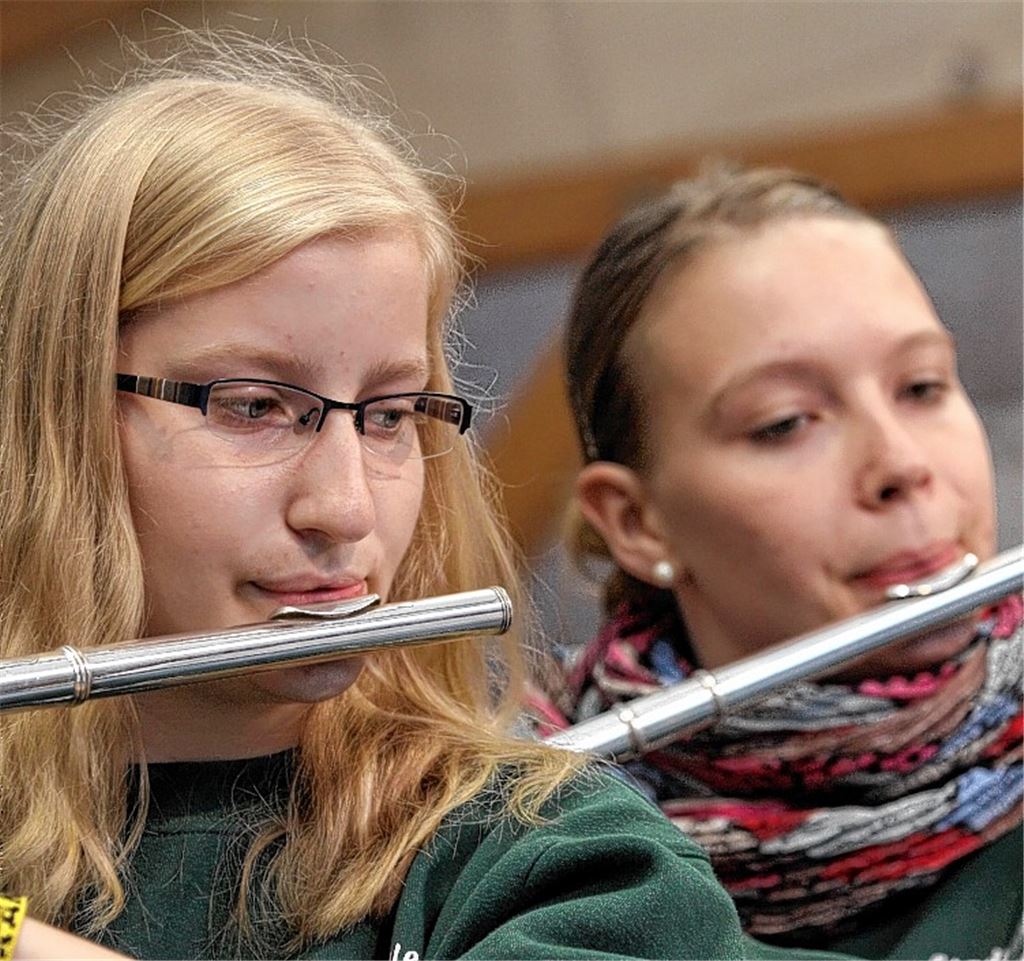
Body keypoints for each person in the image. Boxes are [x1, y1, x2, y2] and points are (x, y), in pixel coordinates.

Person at [0, 33, 855, 961]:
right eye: (253, 406)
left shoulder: (551, 860)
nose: (347, 508)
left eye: (389, 415)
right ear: (60, 419)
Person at [556, 166, 1023, 960]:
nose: (901, 462)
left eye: (921, 385)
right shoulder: (534, 848)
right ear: (639, 522)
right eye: (785, 423)